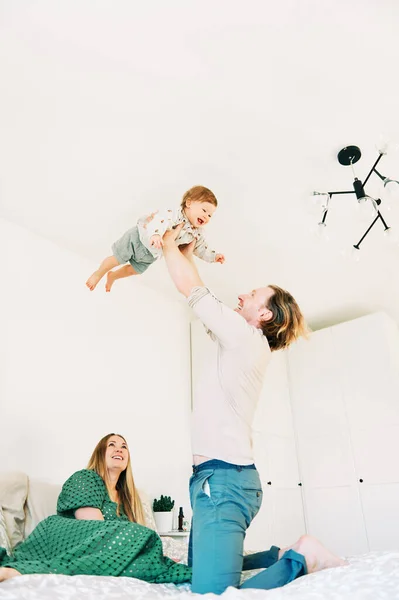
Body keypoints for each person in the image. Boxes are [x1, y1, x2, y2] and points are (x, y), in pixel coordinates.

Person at [161, 226, 347, 595]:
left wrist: (168, 244)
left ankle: (301, 559)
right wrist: (184, 251)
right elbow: (201, 296)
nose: (243, 294)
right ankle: (279, 555)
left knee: (212, 594)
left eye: (254, 294)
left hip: (223, 481)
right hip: (219, 480)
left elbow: (193, 292)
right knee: (195, 572)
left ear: (264, 315)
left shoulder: (246, 339)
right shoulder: (242, 341)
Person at [0, 434, 191, 584]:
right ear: (100, 453)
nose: (119, 449)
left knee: (148, 556)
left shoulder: (126, 499)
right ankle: (18, 571)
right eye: (112, 445)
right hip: (63, 537)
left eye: (124, 446)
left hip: (100, 547)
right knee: (141, 536)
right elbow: (95, 529)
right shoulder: (85, 479)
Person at [85, 185, 225, 292]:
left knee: (133, 270)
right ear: (188, 203)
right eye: (204, 210)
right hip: (139, 238)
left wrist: (213, 256)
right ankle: (99, 273)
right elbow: (160, 221)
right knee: (116, 259)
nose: (206, 217)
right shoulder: (174, 215)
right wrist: (156, 234)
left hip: (152, 253)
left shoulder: (196, 233)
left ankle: (113, 276)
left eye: (210, 215)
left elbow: (201, 248)